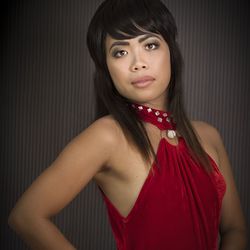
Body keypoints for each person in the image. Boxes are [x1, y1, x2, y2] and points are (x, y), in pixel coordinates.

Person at [8, 0, 247, 249]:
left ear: (172, 51)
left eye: (151, 45)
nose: (138, 63)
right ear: (106, 67)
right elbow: (26, 217)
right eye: (120, 52)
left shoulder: (209, 136)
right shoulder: (108, 136)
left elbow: (235, 229)